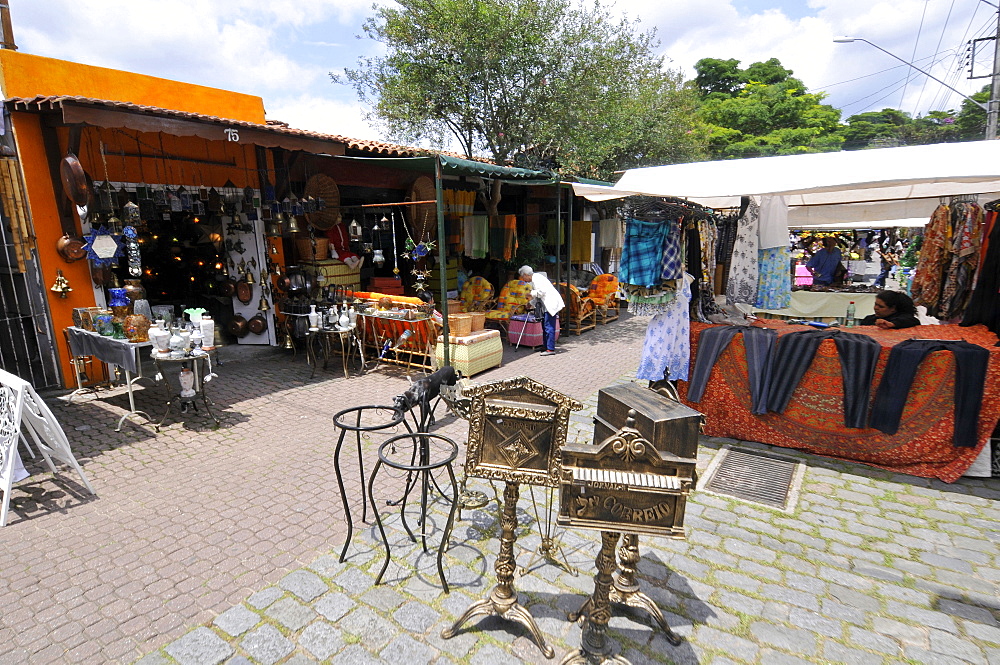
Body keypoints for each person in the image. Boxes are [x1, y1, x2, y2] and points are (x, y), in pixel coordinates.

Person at [519, 265, 564, 356]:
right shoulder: (535, 279)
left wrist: (531, 294)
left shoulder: (537, 279)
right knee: (544, 326)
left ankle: (550, 349)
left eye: (523, 277)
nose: (523, 279)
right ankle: (545, 346)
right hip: (545, 305)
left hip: (550, 304)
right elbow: (538, 295)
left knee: (549, 326)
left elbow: (542, 292)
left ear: (526, 274)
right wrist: (531, 303)